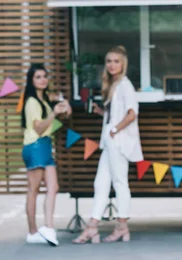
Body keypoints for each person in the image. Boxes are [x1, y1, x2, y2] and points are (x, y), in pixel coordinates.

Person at [73, 45, 143, 244]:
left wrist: (114, 129)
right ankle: (92, 227)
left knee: (120, 183)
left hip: (118, 141)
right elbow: (117, 114)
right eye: (109, 61)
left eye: (116, 61)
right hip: (110, 141)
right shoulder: (114, 85)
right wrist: (102, 114)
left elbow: (132, 113)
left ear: (123, 64)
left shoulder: (125, 85)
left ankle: (122, 226)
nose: (112, 65)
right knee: (101, 183)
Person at [22, 64, 72, 246]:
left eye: (44, 76)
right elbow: (39, 127)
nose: (43, 80)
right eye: (38, 77)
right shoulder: (32, 102)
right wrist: (53, 113)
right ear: (31, 81)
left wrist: (63, 109)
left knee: (54, 186)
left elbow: (58, 118)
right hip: (34, 146)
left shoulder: (43, 101)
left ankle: (48, 227)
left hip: (45, 146)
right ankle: (32, 231)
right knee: (33, 189)